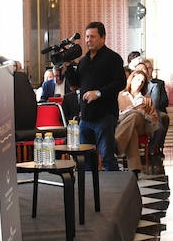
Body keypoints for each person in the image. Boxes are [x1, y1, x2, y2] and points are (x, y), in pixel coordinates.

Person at [66, 21, 126, 170]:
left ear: (103, 37)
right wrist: (67, 66)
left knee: (107, 158)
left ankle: (114, 191)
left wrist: (98, 93)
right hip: (85, 117)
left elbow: (120, 83)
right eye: (87, 37)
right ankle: (90, 190)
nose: (88, 40)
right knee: (85, 159)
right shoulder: (84, 61)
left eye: (92, 36)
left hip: (105, 116)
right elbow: (75, 85)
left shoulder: (113, 58)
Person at [117, 69, 160, 170]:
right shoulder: (120, 96)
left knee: (135, 116)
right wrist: (125, 112)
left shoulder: (146, 99)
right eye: (137, 80)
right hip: (123, 125)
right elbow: (113, 115)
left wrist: (143, 113)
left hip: (143, 126)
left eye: (142, 81)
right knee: (132, 131)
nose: (139, 83)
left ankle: (117, 142)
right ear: (131, 80)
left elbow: (155, 120)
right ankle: (135, 169)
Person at [141, 59, 170, 158]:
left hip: (157, 108)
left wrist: (153, 104)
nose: (147, 71)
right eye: (145, 68)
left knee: (163, 117)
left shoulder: (159, 83)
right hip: (142, 109)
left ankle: (158, 146)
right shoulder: (137, 82)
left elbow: (165, 101)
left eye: (149, 68)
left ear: (152, 70)